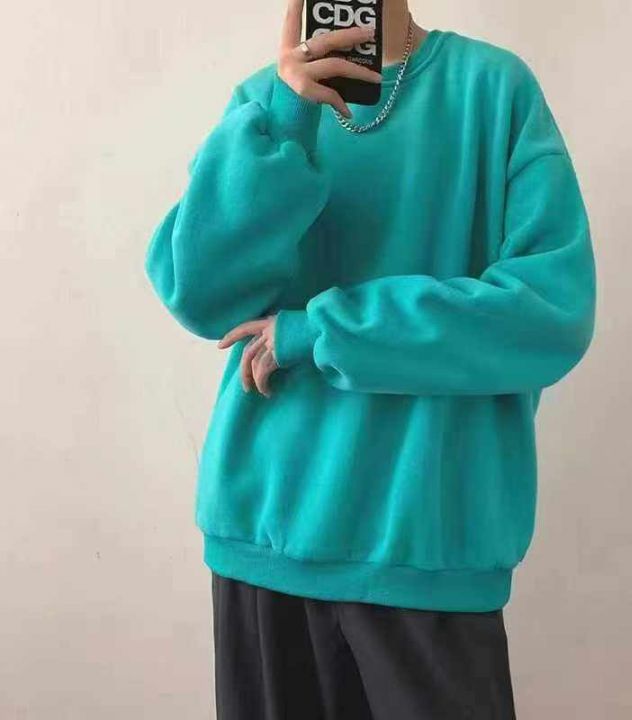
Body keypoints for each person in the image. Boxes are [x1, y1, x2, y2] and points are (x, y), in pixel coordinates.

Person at [144, 0, 597, 716]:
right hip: (267, 535)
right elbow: (201, 295)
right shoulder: (267, 104)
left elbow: (549, 313)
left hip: (426, 545)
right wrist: (287, 118)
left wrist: (322, 331)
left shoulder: (491, 89)